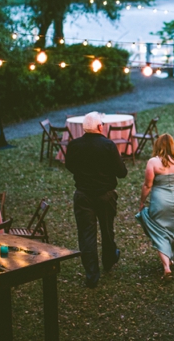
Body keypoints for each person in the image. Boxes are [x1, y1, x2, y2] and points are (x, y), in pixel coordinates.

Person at [66, 111, 128, 289]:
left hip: (83, 194)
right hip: (105, 195)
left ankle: (92, 275)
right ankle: (108, 260)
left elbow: (69, 165)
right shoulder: (108, 145)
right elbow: (122, 172)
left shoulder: (74, 145)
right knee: (107, 230)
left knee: (86, 235)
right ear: (100, 127)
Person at [136, 134, 174, 278]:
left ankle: (166, 266)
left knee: (159, 231)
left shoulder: (153, 162)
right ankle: (170, 257)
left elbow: (147, 185)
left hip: (160, 201)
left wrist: (141, 202)